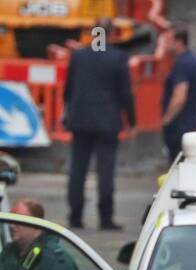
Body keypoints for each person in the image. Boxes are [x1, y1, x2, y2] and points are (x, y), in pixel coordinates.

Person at [62, 17, 135, 230]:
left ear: (92, 33)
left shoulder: (78, 56)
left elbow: (69, 89)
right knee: (105, 171)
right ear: (110, 34)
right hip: (108, 122)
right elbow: (125, 93)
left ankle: (75, 217)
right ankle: (105, 217)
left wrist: (68, 111)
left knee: (78, 170)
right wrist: (131, 120)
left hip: (81, 120)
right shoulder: (118, 58)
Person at [0, 201, 78, 270]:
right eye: (10, 221)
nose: (11, 226)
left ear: (35, 225)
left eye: (18, 221)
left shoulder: (57, 260)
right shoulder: (8, 252)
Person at [158, 24, 196, 164]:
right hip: (189, 126)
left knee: (177, 170)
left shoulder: (182, 65)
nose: (165, 44)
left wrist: (166, 119)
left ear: (179, 41)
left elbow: (179, 97)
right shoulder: (192, 61)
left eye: (168, 40)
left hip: (179, 129)